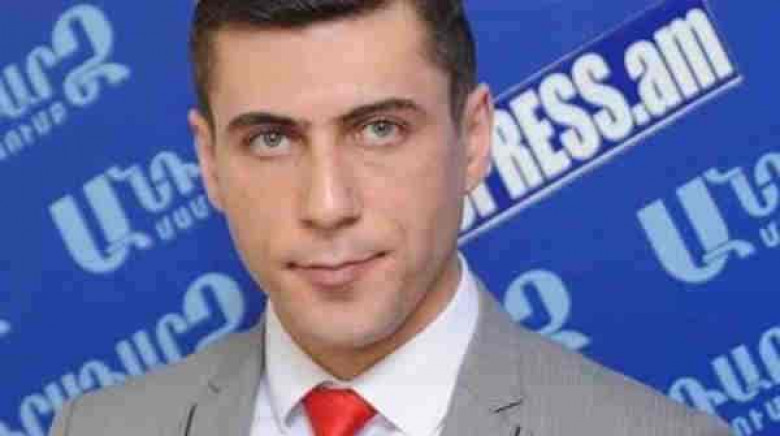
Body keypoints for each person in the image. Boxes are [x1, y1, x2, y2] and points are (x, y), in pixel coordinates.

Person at [48, 0, 732, 435]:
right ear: (210, 161)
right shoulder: (97, 429)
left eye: (379, 129)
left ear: (474, 139)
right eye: (271, 139)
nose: (326, 205)